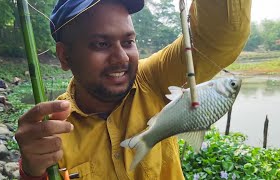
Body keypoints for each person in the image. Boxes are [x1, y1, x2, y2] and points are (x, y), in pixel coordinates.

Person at [15, 0, 251, 179]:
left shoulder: (154, 77)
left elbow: (222, 34)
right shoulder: (53, 130)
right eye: (101, 44)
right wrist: (32, 172)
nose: (121, 58)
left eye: (128, 42)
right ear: (65, 56)